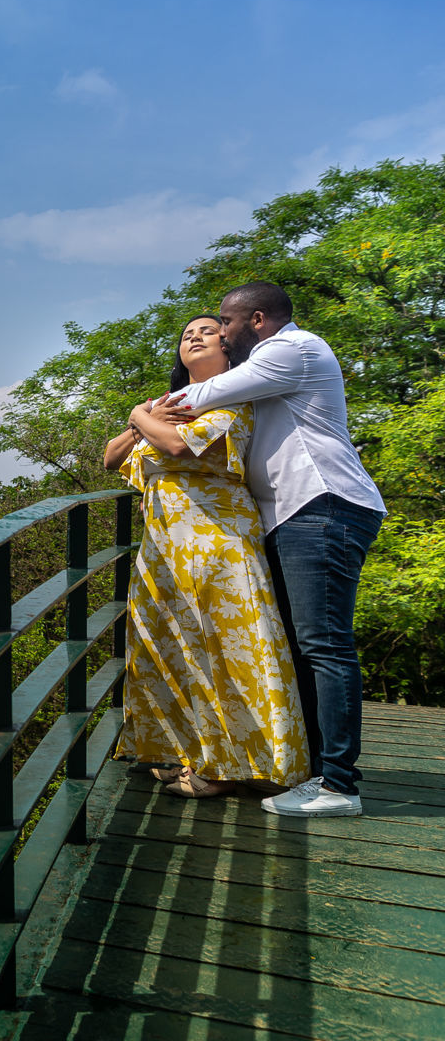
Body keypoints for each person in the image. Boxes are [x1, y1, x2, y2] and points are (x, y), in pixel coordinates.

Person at [152, 280, 385, 818]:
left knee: (325, 645)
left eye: (226, 326)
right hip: (292, 515)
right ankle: (313, 770)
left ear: (256, 320)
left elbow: (199, 397)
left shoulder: (293, 349)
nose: (222, 336)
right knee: (305, 646)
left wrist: (146, 411)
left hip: (322, 506)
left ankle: (339, 785)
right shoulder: (272, 364)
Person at [104, 314, 309, 797]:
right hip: (165, 546)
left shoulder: (233, 399)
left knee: (228, 649)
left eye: (207, 331)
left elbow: (177, 445)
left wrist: (139, 416)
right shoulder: (169, 405)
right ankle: (183, 751)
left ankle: (231, 767)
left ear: (228, 346)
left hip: (218, 540)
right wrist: (143, 420)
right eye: (185, 334)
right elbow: (111, 459)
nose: (193, 337)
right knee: (173, 646)